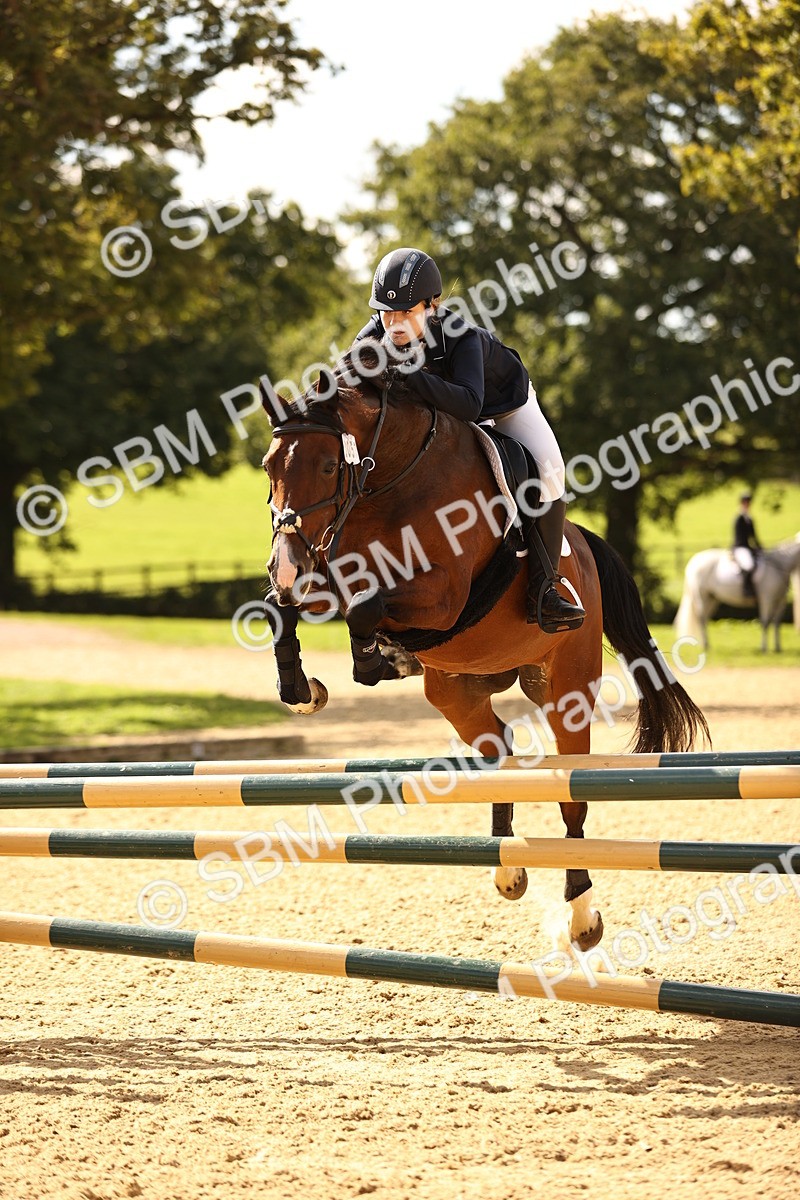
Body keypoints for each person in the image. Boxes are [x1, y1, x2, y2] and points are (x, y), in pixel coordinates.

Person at [351, 247, 584, 633]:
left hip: (505, 406)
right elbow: (343, 380)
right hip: (446, 413)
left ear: (432, 305)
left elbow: (471, 404)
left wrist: (408, 375)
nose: (393, 323)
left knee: (550, 470)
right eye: (385, 312)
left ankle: (545, 591)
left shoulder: (461, 336)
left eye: (405, 313)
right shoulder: (374, 334)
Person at [732, 491, 761, 599]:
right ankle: (746, 589)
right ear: (742, 503)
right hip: (740, 547)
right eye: (745, 502)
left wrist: (759, 547)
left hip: (749, 548)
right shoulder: (739, 518)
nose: (747, 504)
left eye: (749, 502)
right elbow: (739, 537)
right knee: (749, 565)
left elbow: (754, 536)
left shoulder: (749, 518)